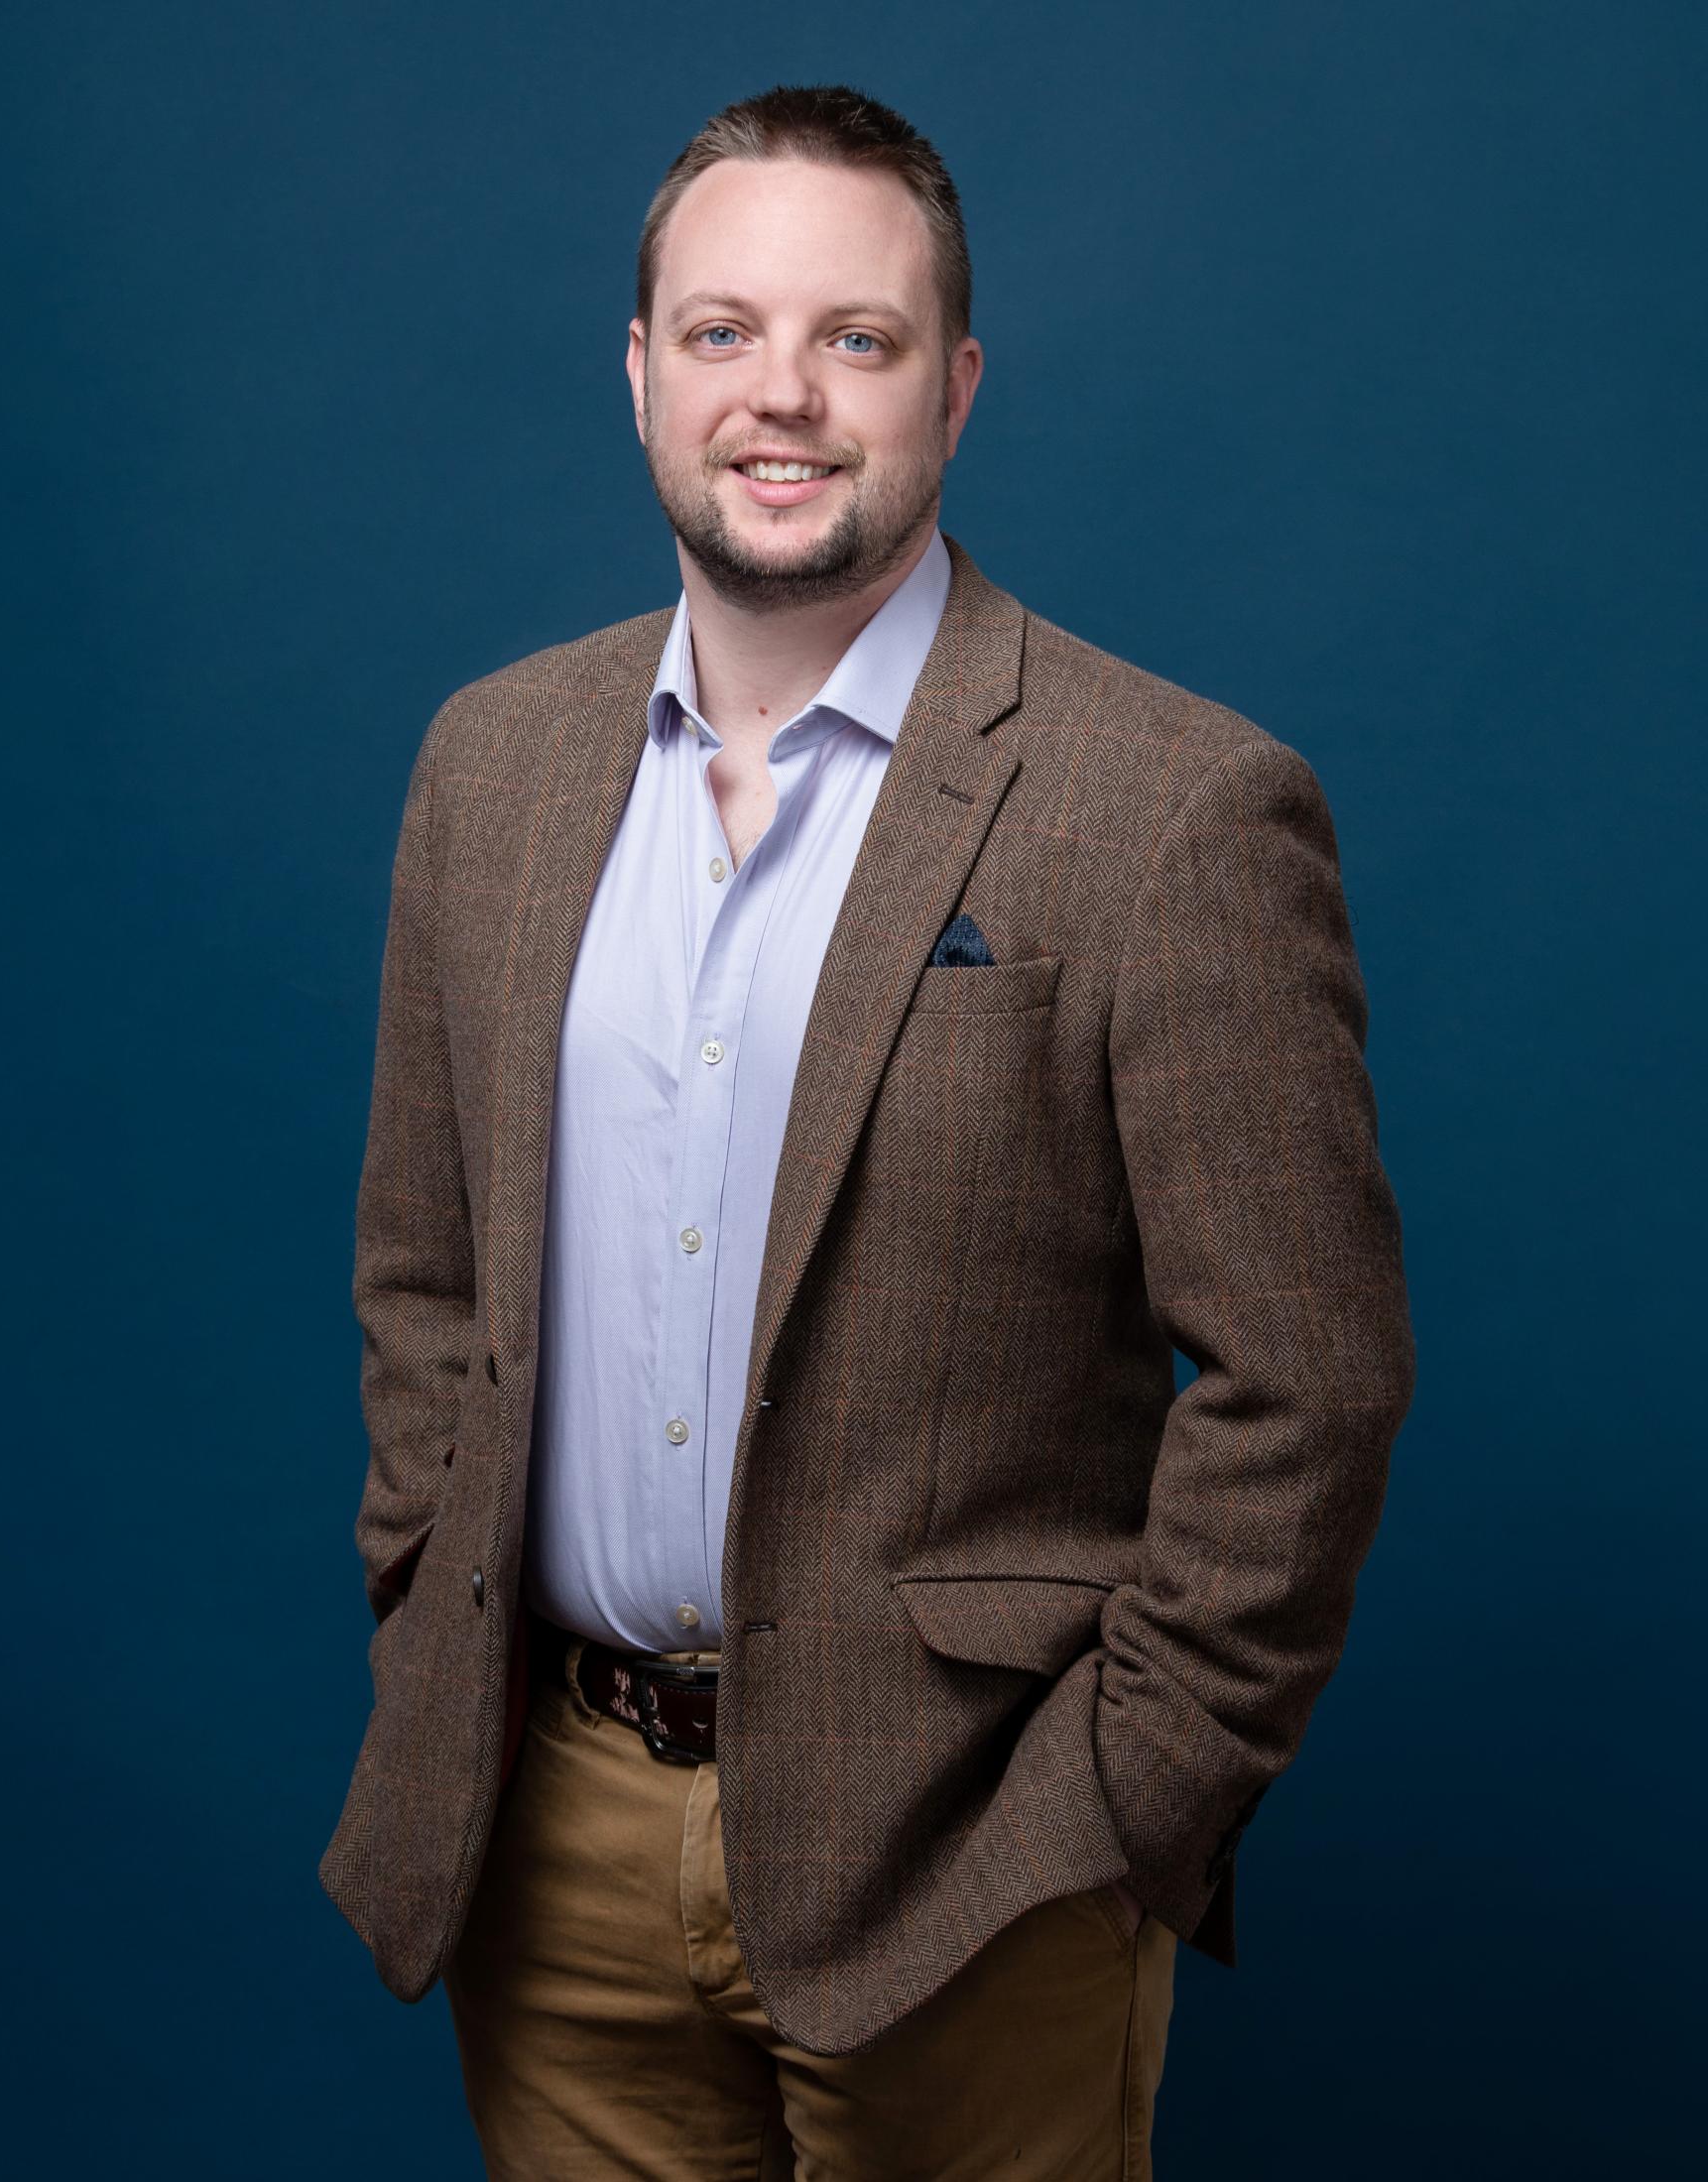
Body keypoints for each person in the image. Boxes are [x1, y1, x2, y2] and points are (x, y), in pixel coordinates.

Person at [319, 80, 1416, 2181]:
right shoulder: (493, 767)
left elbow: (1310, 1375)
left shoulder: (1168, 803)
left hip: (972, 1858)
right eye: (722, 331)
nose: (784, 395)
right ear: (640, 375)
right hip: (548, 1837)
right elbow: (423, 1263)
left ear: (956, 383)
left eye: (859, 337)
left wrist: (1119, 1803)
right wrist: (428, 1593)